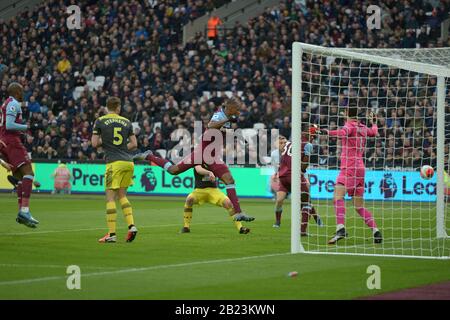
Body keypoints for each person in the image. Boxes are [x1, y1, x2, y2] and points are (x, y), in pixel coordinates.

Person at [136, 97, 254, 223]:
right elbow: (211, 125)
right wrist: (227, 122)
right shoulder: (219, 115)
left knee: (229, 180)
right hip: (201, 153)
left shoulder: (228, 119)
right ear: (229, 107)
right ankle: (149, 156)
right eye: (237, 109)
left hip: (213, 156)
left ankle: (239, 212)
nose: (238, 112)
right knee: (173, 170)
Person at [312, 104, 382, 244]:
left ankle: (341, 228)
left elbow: (342, 133)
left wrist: (324, 132)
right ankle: (376, 231)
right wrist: (374, 122)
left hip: (349, 167)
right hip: (361, 169)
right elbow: (374, 132)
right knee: (358, 206)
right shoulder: (363, 127)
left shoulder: (349, 126)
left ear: (347, 114)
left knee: (337, 196)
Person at [91, 97, 138, 243]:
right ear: (118, 107)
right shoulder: (127, 121)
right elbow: (134, 144)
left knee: (110, 198)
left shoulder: (100, 121)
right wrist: (122, 148)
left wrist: (106, 143)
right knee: (122, 196)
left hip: (114, 163)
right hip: (128, 162)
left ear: (107, 107)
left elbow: (94, 144)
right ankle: (131, 226)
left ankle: (111, 234)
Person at [0, 82, 39, 228]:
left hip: (5, 141)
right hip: (11, 141)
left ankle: (21, 214)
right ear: (16, 92)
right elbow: (9, 125)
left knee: (21, 178)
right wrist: (27, 127)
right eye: (21, 91)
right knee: (29, 173)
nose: (23, 93)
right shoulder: (13, 103)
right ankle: (25, 211)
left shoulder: (7, 103)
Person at [273, 131, 322, 235]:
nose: (282, 143)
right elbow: (304, 164)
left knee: (305, 201)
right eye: (280, 142)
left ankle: (316, 217)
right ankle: (298, 229)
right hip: (290, 175)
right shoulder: (276, 153)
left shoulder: (290, 146)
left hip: (292, 175)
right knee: (286, 200)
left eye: (283, 141)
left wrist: (305, 178)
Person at [181, 165, 250, 234]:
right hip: (199, 190)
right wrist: (209, 172)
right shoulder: (198, 159)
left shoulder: (215, 162)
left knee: (228, 203)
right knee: (189, 200)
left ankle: (240, 228)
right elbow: (199, 170)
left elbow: (222, 174)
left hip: (213, 190)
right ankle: (186, 227)